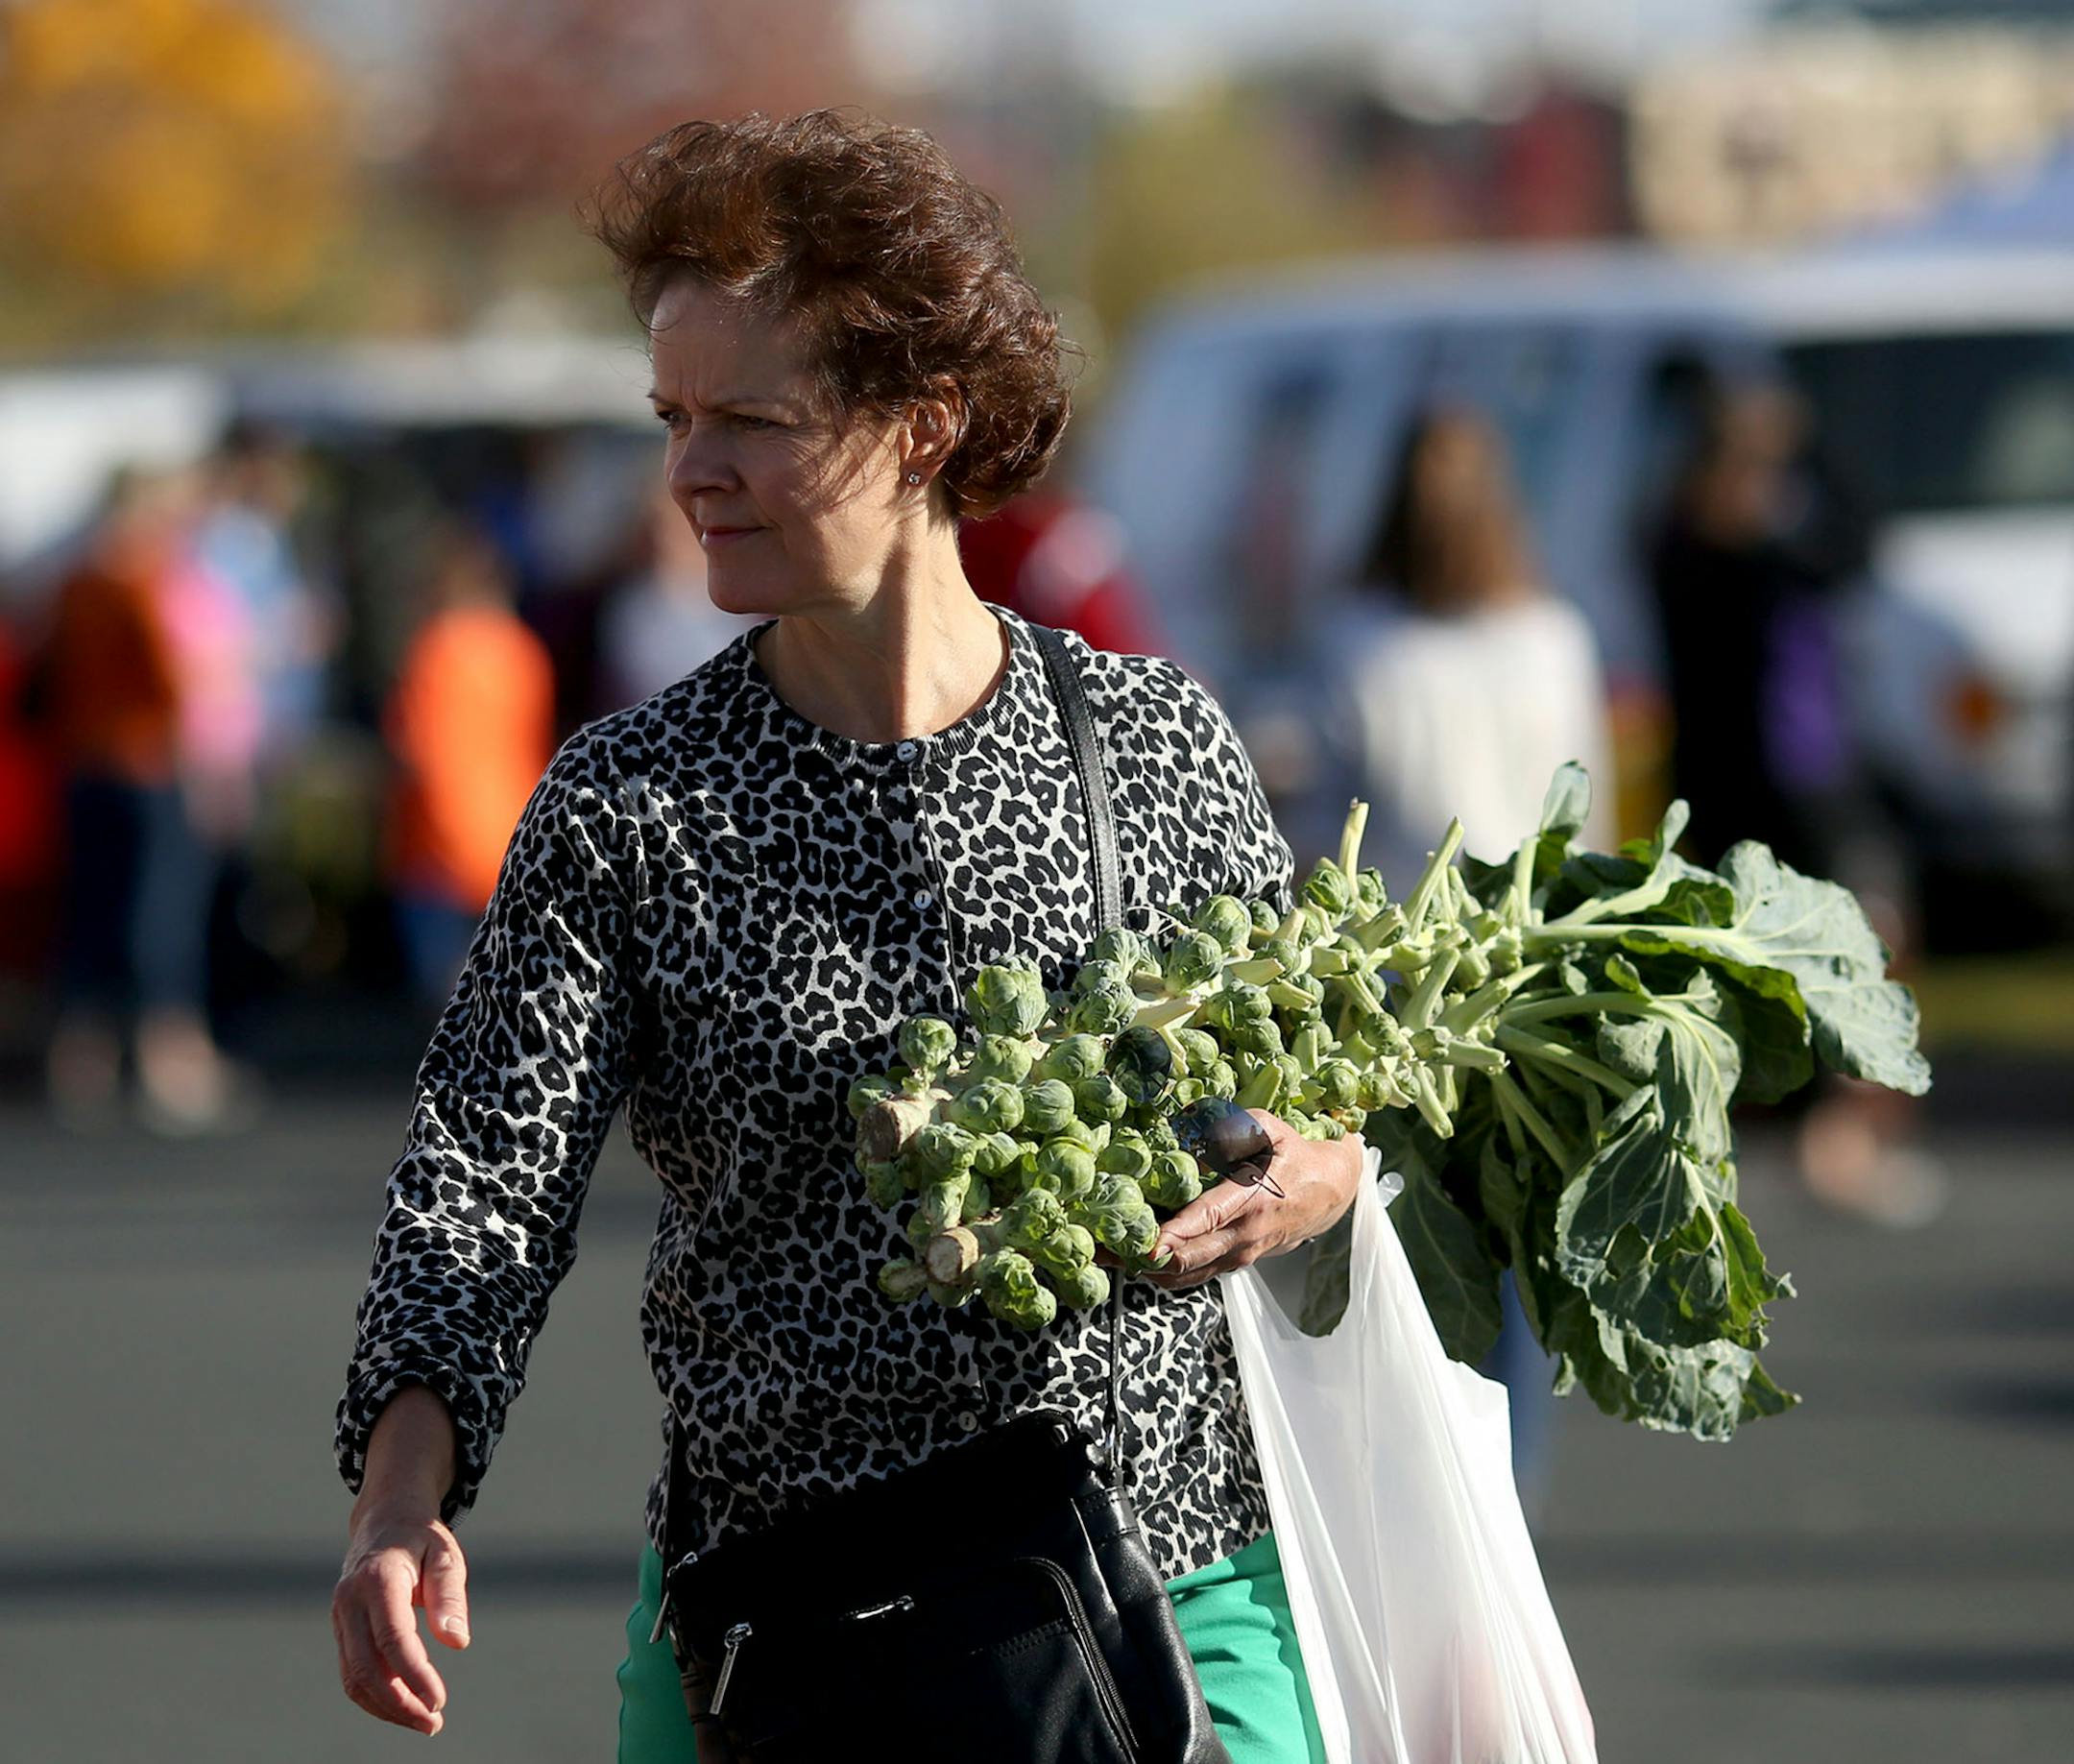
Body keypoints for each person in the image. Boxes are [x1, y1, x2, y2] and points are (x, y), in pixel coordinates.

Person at [330, 110, 1363, 1761]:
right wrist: (399, 1504)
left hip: (1160, 1594)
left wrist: (1314, 1173)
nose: (687, 473)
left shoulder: (1154, 742)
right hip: (783, 1628)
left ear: (921, 425)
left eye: (748, 417)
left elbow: (1326, 1102)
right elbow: (480, 1183)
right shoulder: (631, 800)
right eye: (673, 418)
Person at [1315, 406, 1615, 1517]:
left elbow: (1331, 818)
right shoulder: (1555, 636)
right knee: (1513, 1241)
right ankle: (1506, 1485)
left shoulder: (1361, 642)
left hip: (1403, 976)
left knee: (1411, 1244)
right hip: (1527, 968)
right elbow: (1590, 816)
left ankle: (1426, 1482)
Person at [38, 469, 255, 1133]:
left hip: (87, 762)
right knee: (162, 914)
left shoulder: (76, 583)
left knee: (93, 910)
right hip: (149, 763)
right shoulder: (145, 583)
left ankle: (83, 1059)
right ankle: (173, 1060)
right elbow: (175, 681)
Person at [379, 523, 556, 1009]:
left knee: (449, 989)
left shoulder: (437, 649)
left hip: (438, 842)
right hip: (508, 828)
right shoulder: (522, 649)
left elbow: (418, 751)